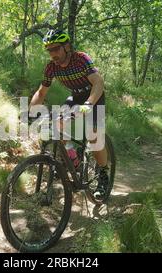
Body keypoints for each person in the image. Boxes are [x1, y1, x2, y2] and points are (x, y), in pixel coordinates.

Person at [28, 29, 108, 200]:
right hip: (76, 96)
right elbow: (41, 93)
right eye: (49, 50)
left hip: (94, 95)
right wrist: (30, 113)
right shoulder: (51, 67)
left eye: (56, 48)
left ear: (67, 47)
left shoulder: (80, 59)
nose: (53, 53)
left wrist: (88, 105)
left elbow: (98, 81)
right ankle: (73, 159)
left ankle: (103, 173)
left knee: (93, 133)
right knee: (57, 123)